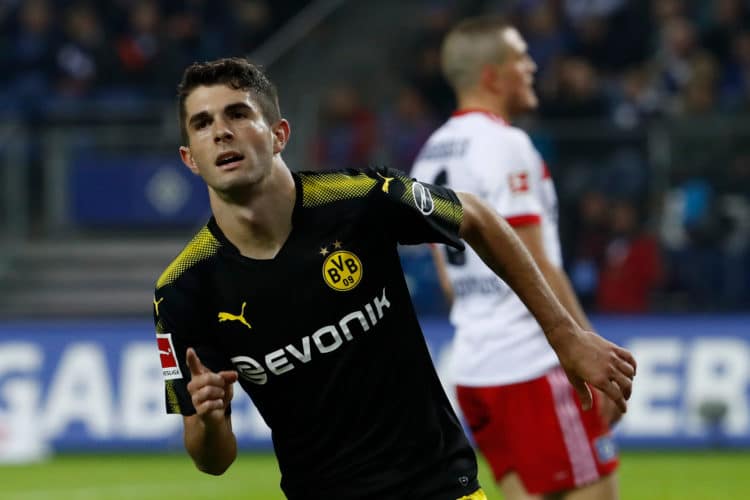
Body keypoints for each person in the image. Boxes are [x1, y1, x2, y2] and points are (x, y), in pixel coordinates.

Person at [152, 56, 636, 500]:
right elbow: (212, 460)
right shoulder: (181, 290)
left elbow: (479, 217)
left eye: (237, 114)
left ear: (279, 134)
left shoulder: (361, 199)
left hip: (440, 487)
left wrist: (564, 335)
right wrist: (211, 421)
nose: (221, 132)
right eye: (203, 123)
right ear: (189, 158)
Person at [411, 18, 624, 500]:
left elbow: (448, 280)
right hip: (532, 363)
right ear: (493, 76)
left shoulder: (429, 156)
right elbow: (536, 263)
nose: (532, 67)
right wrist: (590, 348)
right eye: (521, 58)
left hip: (474, 369)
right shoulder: (505, 144)